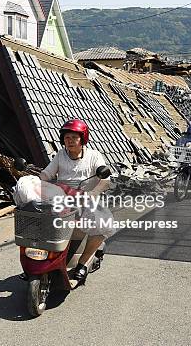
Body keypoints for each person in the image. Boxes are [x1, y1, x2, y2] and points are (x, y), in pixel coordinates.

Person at [39, 119, 113, 281]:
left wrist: (92, 194)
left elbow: (105, 180)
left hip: (86, 200)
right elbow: (47, 173)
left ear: (83, 139)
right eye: (66, 138)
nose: (70, 141)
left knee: (102, 227)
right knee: (38, 218)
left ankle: (82, 264)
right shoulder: (60, 155)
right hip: (63, 198)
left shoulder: (94, 156)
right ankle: (38, 261)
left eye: (74, 137)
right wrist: (38, 181)